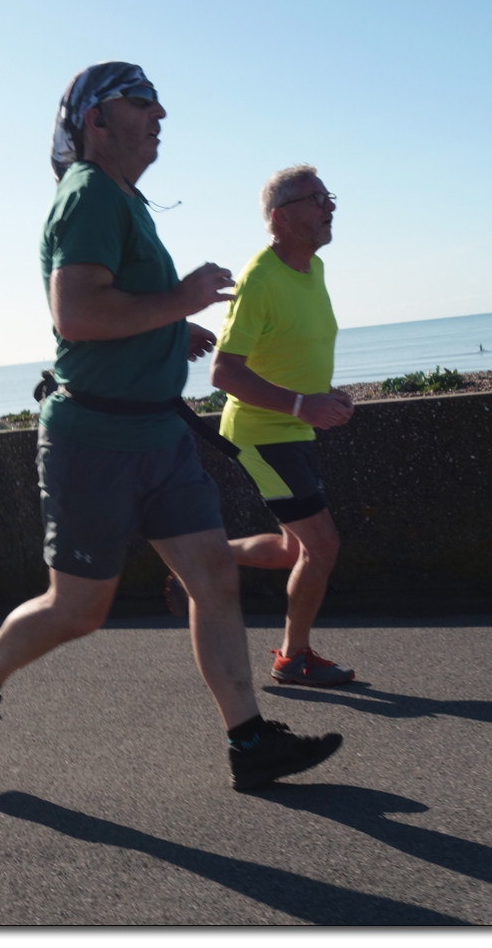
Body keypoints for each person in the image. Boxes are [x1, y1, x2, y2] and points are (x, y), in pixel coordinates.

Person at [0, 63, 342, 792]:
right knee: (79, 610)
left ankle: (249, 744)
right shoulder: (90, 193)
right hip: (94, 439)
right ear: (96, 122)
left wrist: (172, 325)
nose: (161, 114)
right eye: (142, 102)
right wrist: (183, 295)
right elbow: (79, 315)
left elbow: (119, 302)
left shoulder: (124, 198)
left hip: (157, 435)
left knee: (213, 575)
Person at [200, 164, 355, 687]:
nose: (328, 206)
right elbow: (223, 372)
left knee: (295, 549)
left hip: (293, 426)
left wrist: (325, 396)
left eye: (327, 196)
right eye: (316, 199)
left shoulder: (313, 270)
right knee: (322, 545)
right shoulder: (260, 279)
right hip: (263, 433)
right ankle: (294, 656)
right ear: (279, 218)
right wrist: (300, 406)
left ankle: (197, 559)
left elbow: (293, 351)